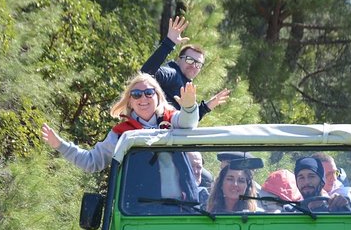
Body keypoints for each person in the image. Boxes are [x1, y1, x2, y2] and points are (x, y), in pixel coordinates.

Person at [42, 73, 198, 173]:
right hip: (138, 208)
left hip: (181, 204)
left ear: (158, 96)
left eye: (149, 93)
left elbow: (188, 123)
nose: (143, 98)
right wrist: (60, 145)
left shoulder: (172, 119)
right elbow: (92, 161)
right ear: (129, 102)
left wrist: (189, 107)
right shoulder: (121, 134)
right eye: (136, 94)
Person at [140, 16, 230, 121]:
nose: (193, 65)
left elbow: (189, 119)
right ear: (179, 59)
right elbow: (145, 75)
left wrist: (208, 105)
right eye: (190, 60)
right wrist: (168, 43)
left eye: (198, 63)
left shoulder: (186, 85)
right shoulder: (172, 73)